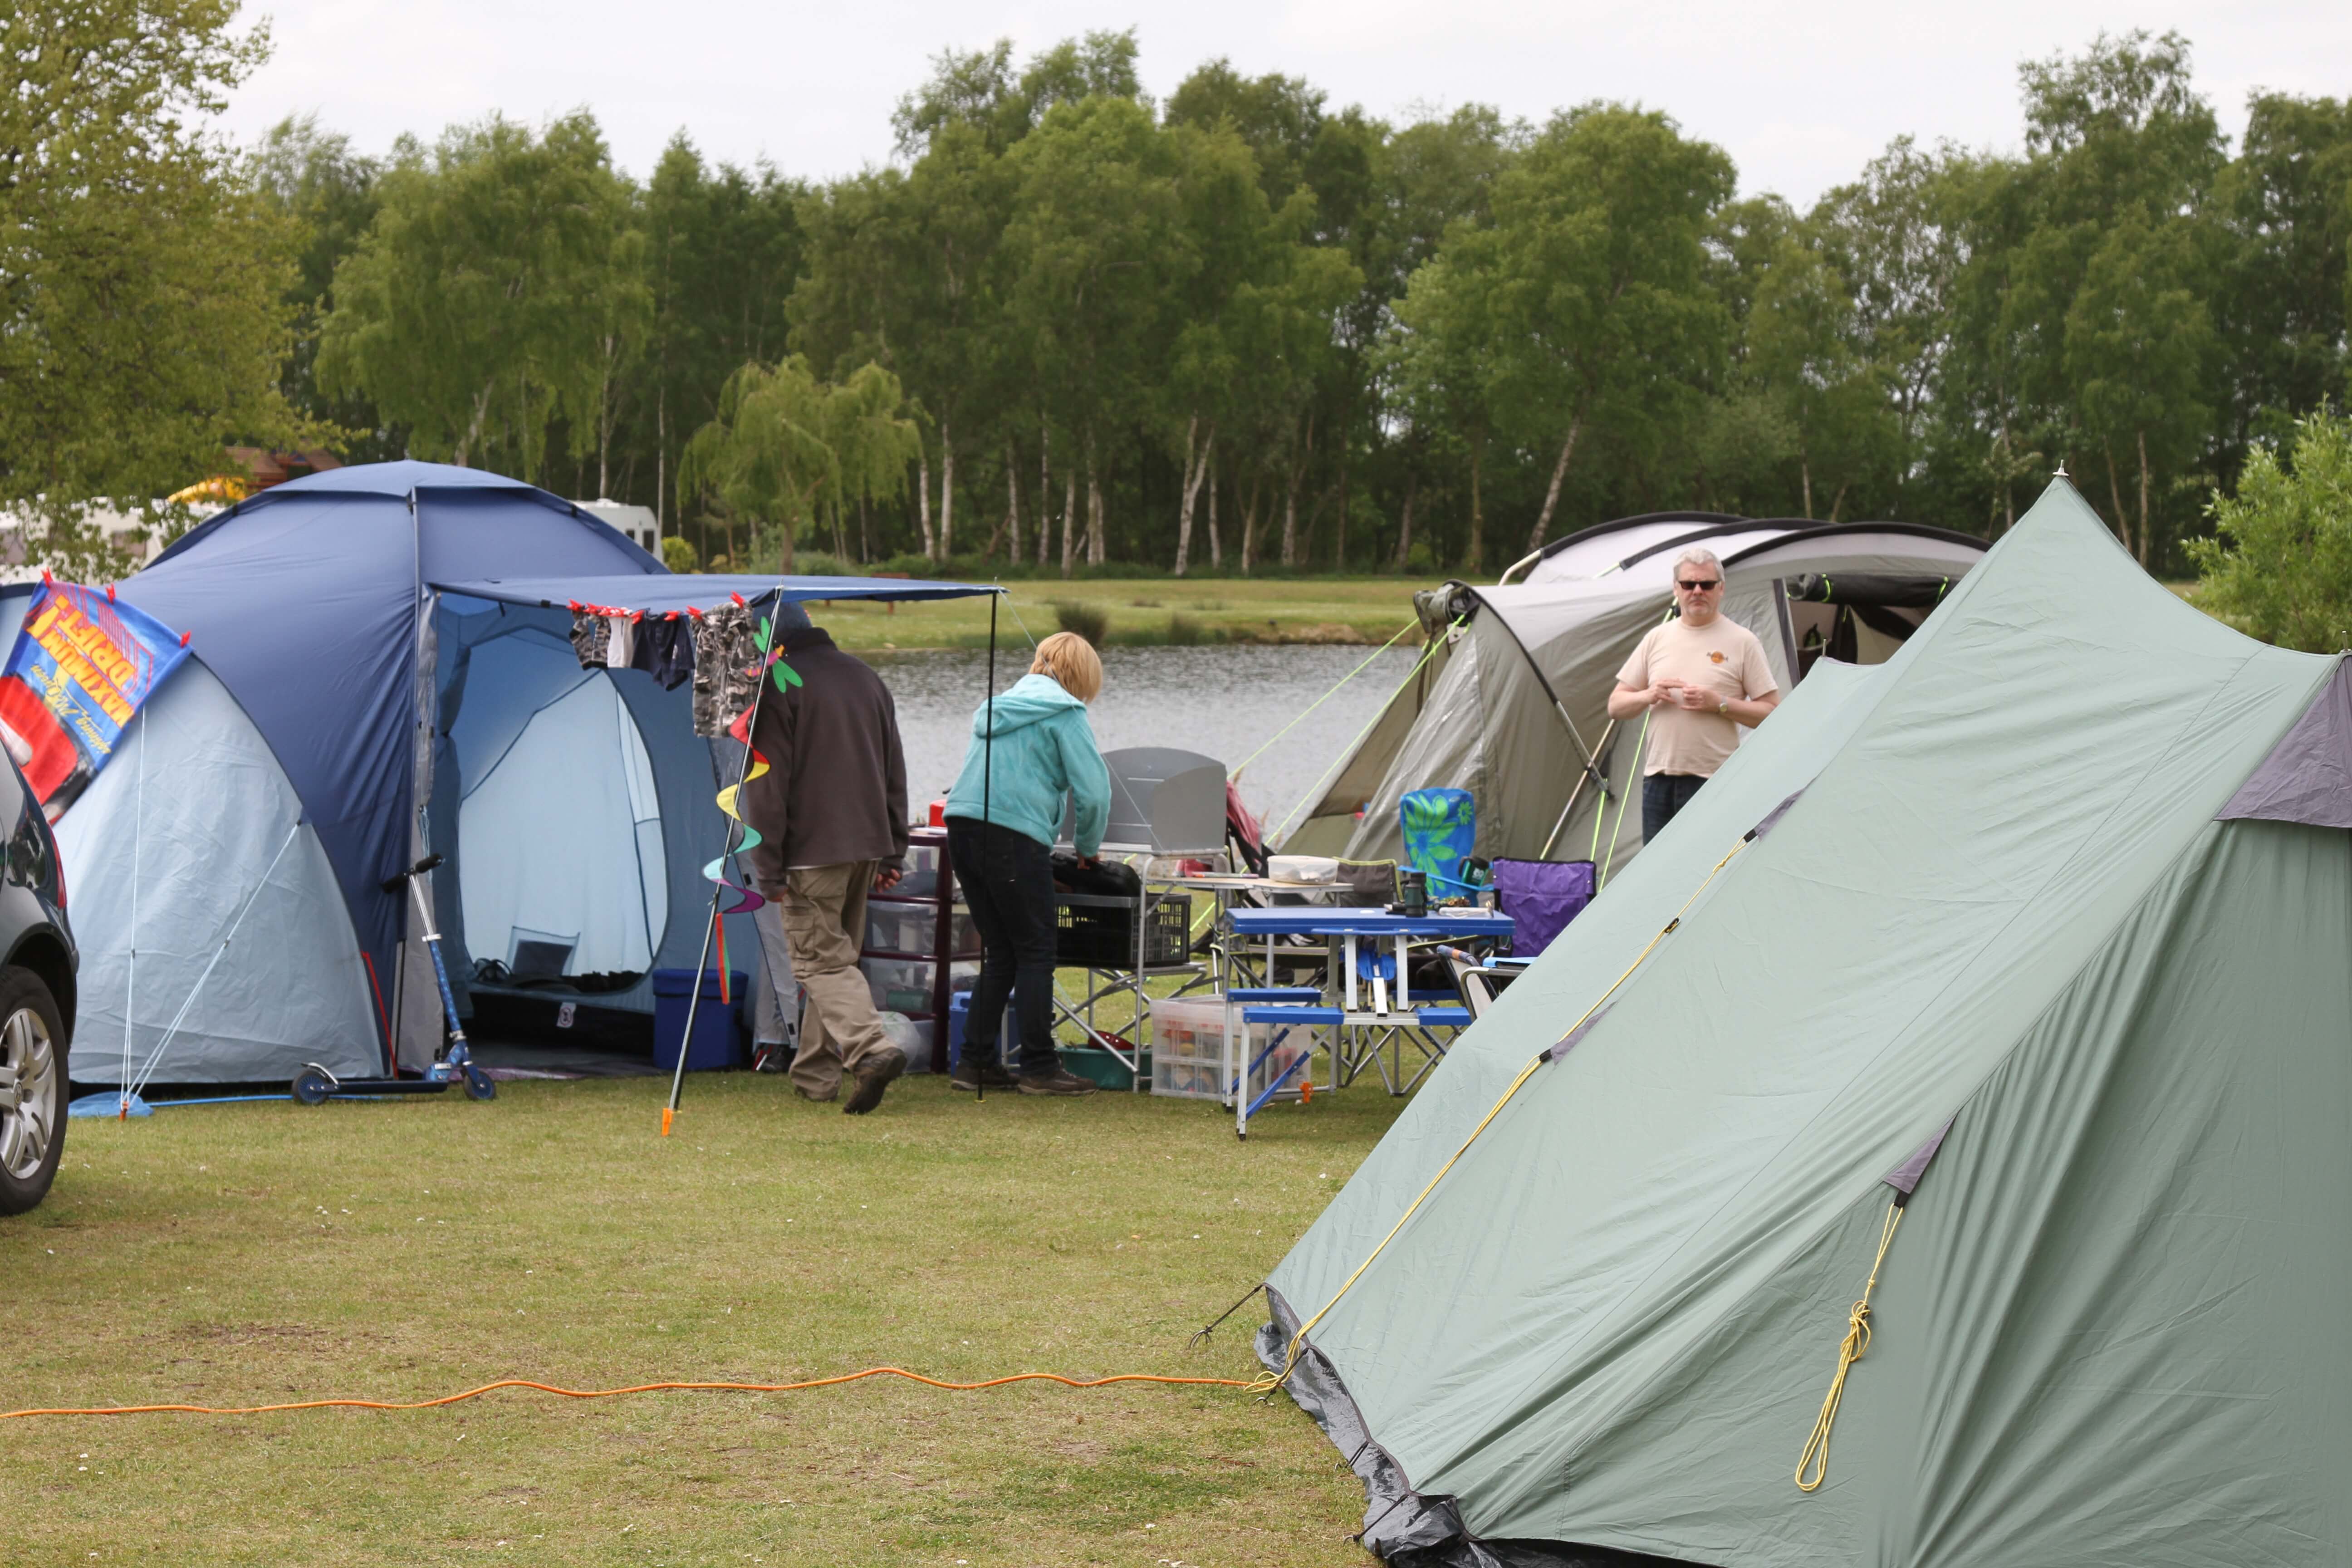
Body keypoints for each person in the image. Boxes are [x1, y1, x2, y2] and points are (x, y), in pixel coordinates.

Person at [740, 620, 911, 1115]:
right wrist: (894, 849)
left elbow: (766, 785)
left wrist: (767, 866)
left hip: (811, 854)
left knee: (819, 963)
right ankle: (815, 1076)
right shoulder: (866, 677)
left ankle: (870, 1049)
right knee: (835, 962)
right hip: (867, 847)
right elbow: (894, 768)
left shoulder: (779, 684)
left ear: (772, 641)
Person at [941, 631, 1112, 1097]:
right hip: (1013, 836)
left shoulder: (996, 708)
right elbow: (1094, 791)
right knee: (1037, 950)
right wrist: (1087, 848)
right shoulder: (1068, 714)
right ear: (1082, 675)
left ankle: (975, 1062)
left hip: (961, 826)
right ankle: (1039, 1066)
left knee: (1002, 950)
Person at [1606, 546, 1781, 842]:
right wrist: (1649, 695)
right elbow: (1616, 705)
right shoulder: (1657, 638)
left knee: (1708, 875)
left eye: (1706, 584)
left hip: (1715, 781)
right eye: (1689, 584)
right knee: (1657, 874)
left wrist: (1720, 704)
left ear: (1721, 589)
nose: (1697, 591)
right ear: (1677, 589)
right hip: (1658, 782)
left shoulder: (1743, 641)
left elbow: (1773, 713)